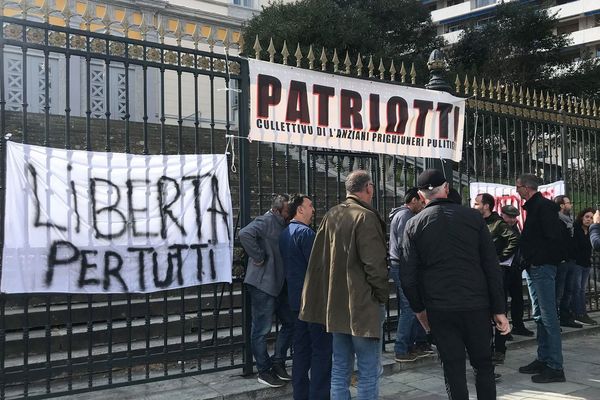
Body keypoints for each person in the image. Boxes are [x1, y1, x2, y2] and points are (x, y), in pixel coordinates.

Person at [402, 169, 509, 400]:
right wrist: (499, 309)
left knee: (453, 369)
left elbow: (408, 277)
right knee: (483, 365)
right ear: (447, 188)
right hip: (476, 305)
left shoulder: (413, 225)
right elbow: (491, 266)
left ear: (421, 196)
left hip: (440, 308)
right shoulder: (473, 218)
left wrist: (420, 311)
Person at [300, 170, 389, 400]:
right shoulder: (365, 217)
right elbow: (375, 266)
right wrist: (381, 295)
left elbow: (319, 260)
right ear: (368, 188)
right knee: (369, 371)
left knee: (340, 368)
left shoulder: (332, 214)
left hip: (337, 305)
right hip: (363, 305)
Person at [279, 194, 332, 399]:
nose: (313, 210)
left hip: (294, 300)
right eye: (310, 206)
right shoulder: (306, 233)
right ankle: (319, 394)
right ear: (300, 209)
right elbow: (319, 267)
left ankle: (300, 394)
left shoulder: (285, 233)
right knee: (321, 349)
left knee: (300, 350)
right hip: (312, 302)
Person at [516, 174, 567, 383]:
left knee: (548, 317)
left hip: (542, 267)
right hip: (534, 267)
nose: (516, 190)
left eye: (518, 187)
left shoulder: (543, 207)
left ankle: (555, 366)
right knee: (539, 315)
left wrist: (536, 259)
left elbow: (552, 238)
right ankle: (544, 358)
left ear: (527, 188)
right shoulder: (534, 206)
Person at [240, 194, 295, 388]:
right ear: (278, 210)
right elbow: (244, 233)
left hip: (278, 284)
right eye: (288, 210)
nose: (291, 214)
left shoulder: (284, 223)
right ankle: (264, 370)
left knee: (290, 323)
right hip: (262, 284)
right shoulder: (265, 221)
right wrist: (258, 256)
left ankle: (278, 362)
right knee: (261, 329)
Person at [473, 193, 519, 365]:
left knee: (498, 308)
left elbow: (514, 239)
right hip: (480, 272)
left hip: (496, 272)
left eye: (477, 204)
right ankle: (486, 348)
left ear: (486, 206)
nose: (474, 206)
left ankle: (500, 348)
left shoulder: (498, 223)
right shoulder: (477, 222)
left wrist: (500, 257)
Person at [388, 188, 431, 362]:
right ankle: (401, 348)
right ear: (414, 200)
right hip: (402, 266)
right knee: (409, 307)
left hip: (402, 265)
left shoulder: (404, 214)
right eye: (421, 202)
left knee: (414, 305)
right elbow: (405, 245)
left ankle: (414, 344)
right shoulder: (405, 216)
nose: (423, 206)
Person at [500, 204, 534, 337]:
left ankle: (518, 325)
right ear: (502, 215)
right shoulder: (500, 227)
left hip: (515, 268)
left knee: (517, 299)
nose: (512, 220)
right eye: (509, 217)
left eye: (514, 217)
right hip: (502, 268)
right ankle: (503, 328)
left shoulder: (515, 227)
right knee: (501, 301)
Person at [554, 195, 582, 329]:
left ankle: (566, 317)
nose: (570, 205)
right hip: (562, 261)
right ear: (561, 205)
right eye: (568, 203)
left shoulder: (570, 221)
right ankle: (555, 319)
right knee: (558, 292)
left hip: (571, 259)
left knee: (569, 290)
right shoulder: (557, 220)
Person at [570, 208, 597, 326]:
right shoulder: (576, 229)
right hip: (576, 263)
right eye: (587, 217)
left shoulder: (591, 231)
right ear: (582, 217)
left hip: (586, 264)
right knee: (577, 290)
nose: (589, 220)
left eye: (591, 218)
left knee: (582, 289)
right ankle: (579, 313)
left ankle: (582, 313)